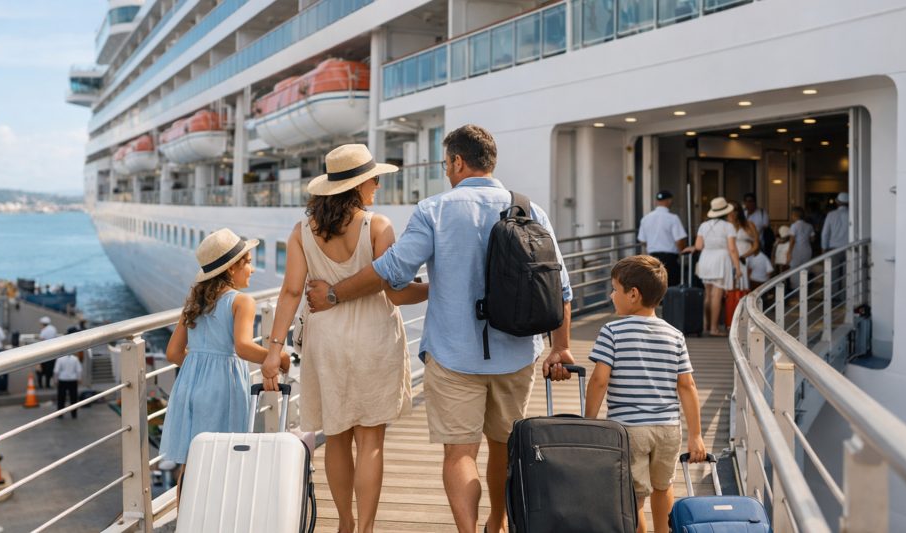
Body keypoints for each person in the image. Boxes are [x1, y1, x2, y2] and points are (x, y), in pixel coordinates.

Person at [304, 125, 576, 533]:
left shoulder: (435, 209)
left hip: (453, 356)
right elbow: (562, 288)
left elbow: (393, 271)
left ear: (457, 162)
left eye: (447, 164)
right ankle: (496, 524)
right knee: (504, 447)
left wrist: (335, 294)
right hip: (517, 352)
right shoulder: (530, 209)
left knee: (459, 454)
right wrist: (562, 348)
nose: (446, 172)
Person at [263, 144, 427, 533]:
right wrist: (436, 289)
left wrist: (273, 351)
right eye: (373, 179)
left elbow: (290, 293)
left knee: (336, 437)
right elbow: (395, 291)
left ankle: (345, 524)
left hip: (326, 341)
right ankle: (367, 528)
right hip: (372, 338)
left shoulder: (303, 231)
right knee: (370, 441)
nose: (377, 186)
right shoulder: (378, 226)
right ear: (357, 186)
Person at [158, 228, 289, 503]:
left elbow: (172, 353)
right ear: (231, 269)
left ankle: (187, 523)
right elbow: (242, 347)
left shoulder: (193, 301)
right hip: (223, 387)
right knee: (223, 458)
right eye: (249, 262)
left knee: (191, 463)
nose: (252, 269)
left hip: (189, 384)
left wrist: (198, 366)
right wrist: (277, 357)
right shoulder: (242, 301)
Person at [584, 255, 705, 533]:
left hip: (629, 430)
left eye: (615, 289)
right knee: (663, 487)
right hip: (667, 429)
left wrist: (588, 423)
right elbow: (687, 386)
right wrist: (696, 434)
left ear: (633, 294)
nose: (611, 295)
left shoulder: (612, 331)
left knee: (633, 495)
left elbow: (599, 381)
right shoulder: (675, 335)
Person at [685, 197, 741, 336]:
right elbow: (732, 249)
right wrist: (738, 268)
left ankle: (705, 325)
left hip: (706, 258)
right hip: (720, 260)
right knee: (717, 295)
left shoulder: (704, 225)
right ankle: (714, 328)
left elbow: (698, 246)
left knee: (707, 295)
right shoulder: (728, 226)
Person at [637, 190, 687, 287]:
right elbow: (679, 240)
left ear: (657, 202)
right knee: (670, 286)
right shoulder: (673, 218)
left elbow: (642, 240)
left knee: (655, 288)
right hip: (669, 259)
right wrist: (683, 254)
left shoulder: (646, 218)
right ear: (669, 201)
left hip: (652, 258)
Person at [53, 351, 83, 419]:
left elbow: (56, 370)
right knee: (73, 397)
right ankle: (74, 414)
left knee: (61, 398)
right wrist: (79, 378)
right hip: (73, 380)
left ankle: (60, 414)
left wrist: (55, 379)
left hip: (62, 380)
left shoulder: (60, 359)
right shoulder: (75, 359)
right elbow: (79, 370)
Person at [37, 317, 58, 388]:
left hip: (45, 351)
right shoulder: (53, 328)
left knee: (42, 368)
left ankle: (40, 385)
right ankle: (48, 384)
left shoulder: (44, 330)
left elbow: (41, 338)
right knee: (50, 368)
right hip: (53, 351)